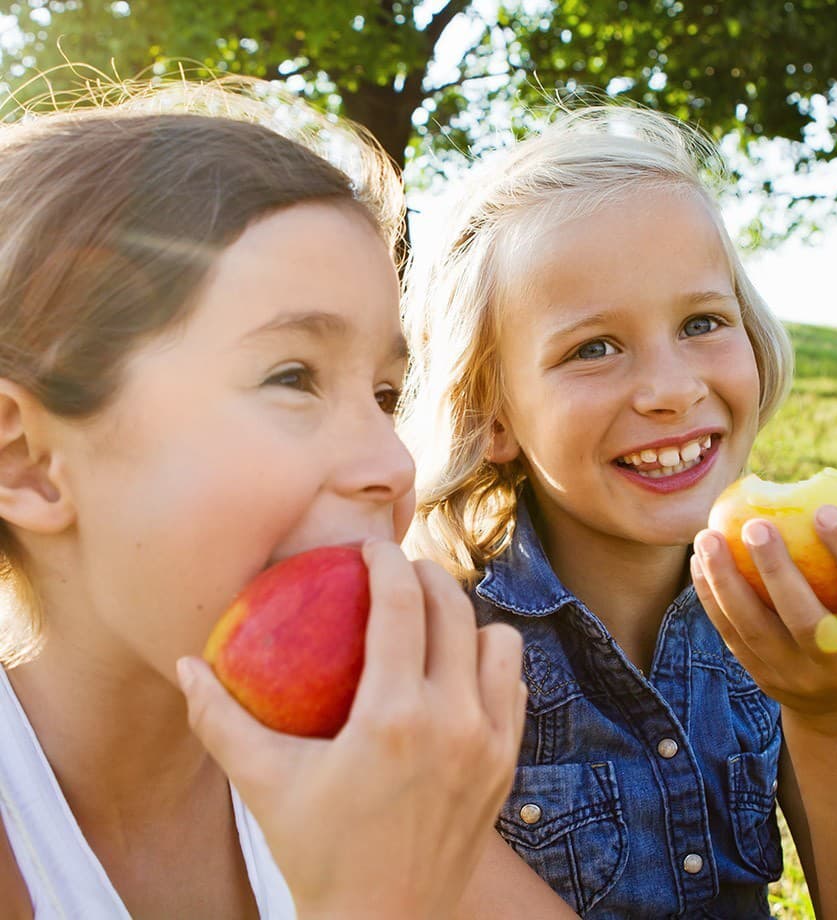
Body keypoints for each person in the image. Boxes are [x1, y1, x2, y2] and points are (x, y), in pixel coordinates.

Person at [0, 77, 526, 919]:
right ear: (26, 461)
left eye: (387, 396)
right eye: (293, 376)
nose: (393, 466)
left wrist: (823, 726)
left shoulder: (372, 779)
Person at [399, 105, 837, 918]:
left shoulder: (779, 609)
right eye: (593, 348)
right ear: (493, 416)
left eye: (702, 323)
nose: (674, 389)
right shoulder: (439, 648)